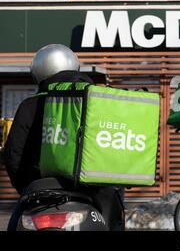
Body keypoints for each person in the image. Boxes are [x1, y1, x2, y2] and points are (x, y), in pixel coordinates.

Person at [2, 44, 124, 230]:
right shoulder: (96, 102)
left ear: (39, 71)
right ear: (74, 66)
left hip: (40, 192)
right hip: (92, 192)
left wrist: (26, 187)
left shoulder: (29, 106)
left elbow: (13, 154)